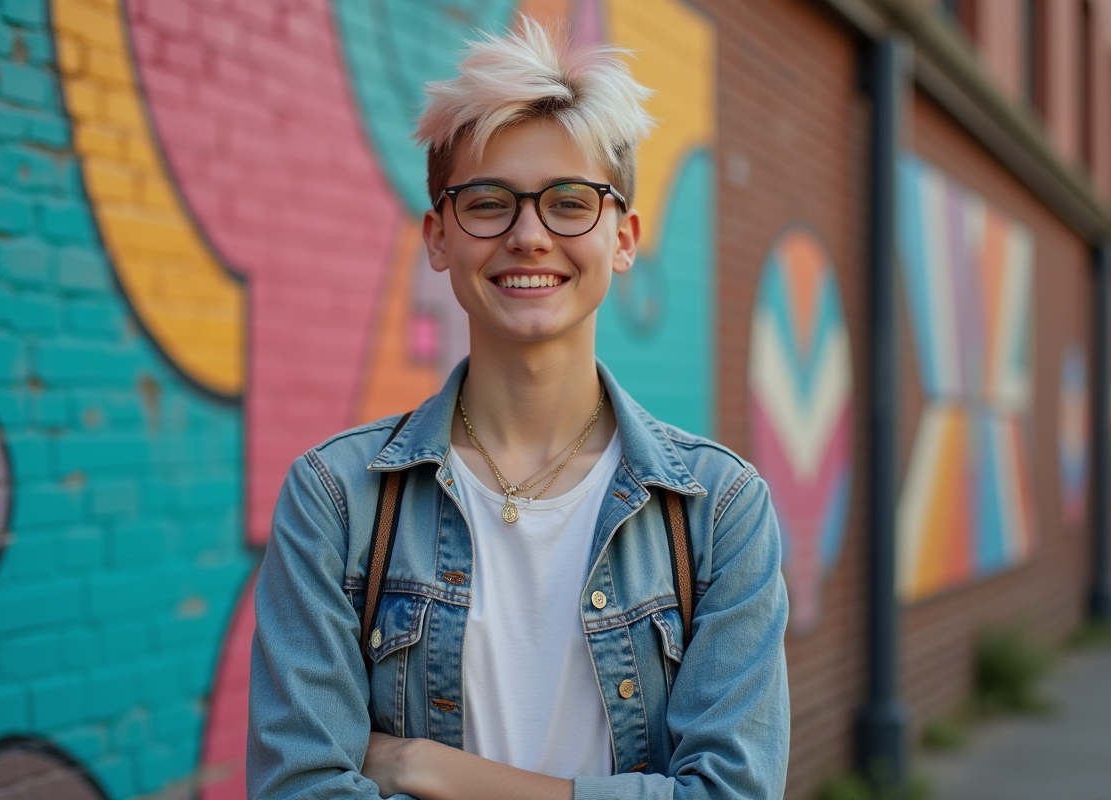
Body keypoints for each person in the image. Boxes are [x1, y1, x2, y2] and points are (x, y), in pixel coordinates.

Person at [247, 17, 789, 800]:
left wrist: (430, 769)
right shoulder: (336, 500)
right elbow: (301, 789)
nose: (529, 235)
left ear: (624, 237)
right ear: (439, 237)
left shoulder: (718, 510)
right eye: (489, 202)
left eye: (570, 202)